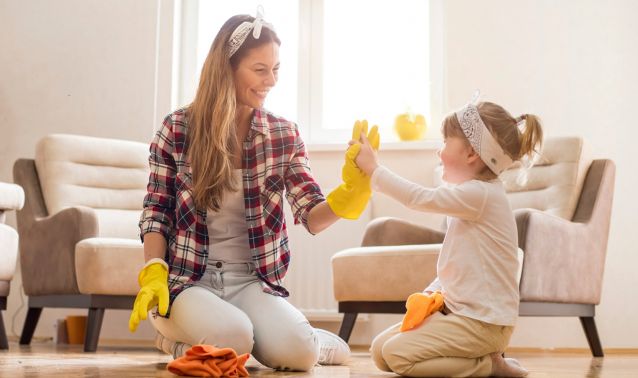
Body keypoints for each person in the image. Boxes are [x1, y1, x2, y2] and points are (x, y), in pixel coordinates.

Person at [128, 9, 378, 372]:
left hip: (250, 280)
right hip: (190, 279)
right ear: (226, 68)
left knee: (300, 356)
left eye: (276, 69)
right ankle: (175, 337)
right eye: (260, 70)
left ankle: (299, 341)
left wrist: (351, 191)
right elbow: (156, 210)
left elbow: (312, 215)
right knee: (235, 338)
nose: (271, 81)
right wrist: (153, 270)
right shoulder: (178, 128)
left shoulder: (283, 134)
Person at [352, 96, 542, 377]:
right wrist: (433, 292)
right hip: (460, 315)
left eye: (444, 143)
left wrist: (374, 171)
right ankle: (482, 360)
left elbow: (420, 198)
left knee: (397, 356)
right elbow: (461, 263)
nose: (438, 152)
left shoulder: (480, 194)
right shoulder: (472, 198)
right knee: (381, 351)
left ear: (471, 154)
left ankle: (488, 365)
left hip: (483, 323)